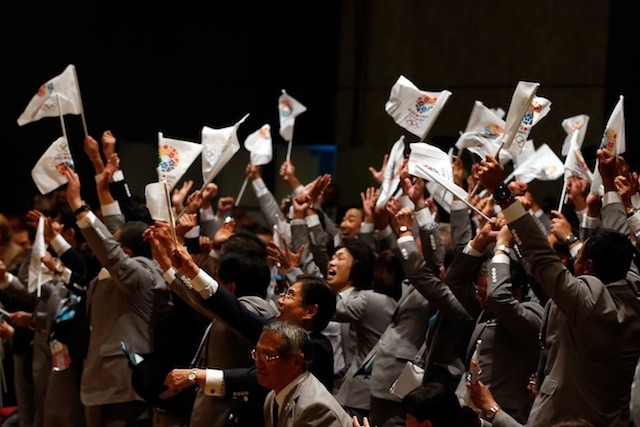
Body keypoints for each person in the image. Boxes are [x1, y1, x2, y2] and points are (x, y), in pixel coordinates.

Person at [473, 149, 640, 426]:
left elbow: (540, 254)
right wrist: (609, 185)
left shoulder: (587, 301)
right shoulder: (631, 284)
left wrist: (500, 191)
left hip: (565, 417)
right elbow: (618, 237)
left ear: (587, 267)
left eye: (579, 256)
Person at [61, 160, 174, 427]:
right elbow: (114, 238)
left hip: (124, 382)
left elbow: (110, 250)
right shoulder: (129, 266)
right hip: (101, 380)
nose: (111, 245)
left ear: (127, 252)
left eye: (117, 245)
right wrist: (103, 188)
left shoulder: (142, 275)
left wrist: (80, 208)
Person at [257, 320, 352, 427]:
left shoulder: (315, 408)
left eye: (268, 357)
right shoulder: (273, 396)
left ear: (296, 361)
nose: (258, 363)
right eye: (257, 354)